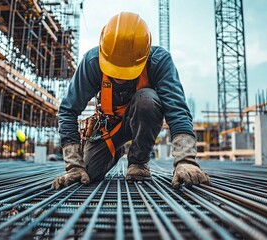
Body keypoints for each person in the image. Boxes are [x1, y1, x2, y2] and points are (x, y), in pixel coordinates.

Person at [52, 12, 210, 189]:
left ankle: (138, 161)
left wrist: (186, 160)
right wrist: (74, 165)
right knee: (87, 173)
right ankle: (115, 151)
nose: (119, 78)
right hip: (109, 128)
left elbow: (177, 110)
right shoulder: (92, 62)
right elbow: (67, 111)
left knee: (147, 99)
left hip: (144, 116)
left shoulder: (159, 61)